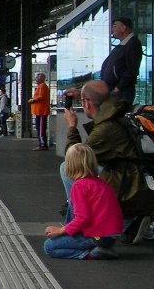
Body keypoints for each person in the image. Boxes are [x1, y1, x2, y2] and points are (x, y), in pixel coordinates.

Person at [60, 80, 148, 243]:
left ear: (88, 103)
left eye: (82, 100)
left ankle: (78, 224)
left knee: (68, 169)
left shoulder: (105, 129)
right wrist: (84, 95)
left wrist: (72, 126)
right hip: (128, 172)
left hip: (127, 181)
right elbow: (100, 95)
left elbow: (75, 157)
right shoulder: (113, 111)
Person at [43, 143, 123, 260]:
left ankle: (91, 253)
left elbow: (83, 218)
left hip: (97, 236)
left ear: (69, 166)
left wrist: (60, 231)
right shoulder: (100, 182)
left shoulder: (79, 186)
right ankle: (99, 248)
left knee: (49, 247)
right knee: (72, 204)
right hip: (111, 235)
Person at [100, 17, 142, 106]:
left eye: (115, 26)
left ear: (123, 28)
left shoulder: (133, 43)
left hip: (122, 92)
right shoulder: (122, 45)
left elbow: (132, 69)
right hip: (114, 91)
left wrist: (118, 87)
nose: (112, 29)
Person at [28, 72, 50, 150]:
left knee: (40, 128)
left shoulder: (42, 86)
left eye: (37, 78)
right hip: (39, 111)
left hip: (41, 111)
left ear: (41, 79)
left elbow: (41, 97)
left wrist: (32, 100)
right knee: (39, 128)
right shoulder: (41, 86)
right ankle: (42, 144)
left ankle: (43, 145)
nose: (35, 79)